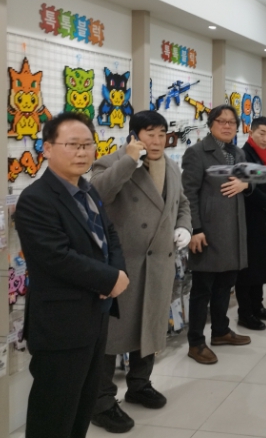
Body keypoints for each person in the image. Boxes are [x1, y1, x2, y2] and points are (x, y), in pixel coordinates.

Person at [14, 113, 129, 438]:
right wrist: (108, 279)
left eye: (87, 145)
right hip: (60, 325)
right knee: (53, 415)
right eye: (73, 145)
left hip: (95, 317)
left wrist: (118, 271)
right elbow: (56, 257)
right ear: (48, 148)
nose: (82, 152)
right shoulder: (35, 199)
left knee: (81, 408)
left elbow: (109, 235)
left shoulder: (87, 190)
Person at [89, 110, 192, 432]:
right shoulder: (110, 162)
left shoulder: (171, 166)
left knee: (150, 326)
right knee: (112, 334)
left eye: (161, 134)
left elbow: (182, 203)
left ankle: (139, 384)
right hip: (123, 266)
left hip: (159, 263)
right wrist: (129, 161)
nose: (157, 141)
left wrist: (184, 227)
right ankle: (101, 401)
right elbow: (96, 195)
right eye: (150, 134)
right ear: (134, 136)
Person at [182, 105, 252, 365]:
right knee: (202, 290)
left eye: (232, 122)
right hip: (208, 232)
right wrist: (195, 229)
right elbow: (188, 194)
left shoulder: (239, 153)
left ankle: (221, 331)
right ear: (211, 124)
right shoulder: (197, 153)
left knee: (225, 284)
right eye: (221, 121)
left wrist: (246, 184)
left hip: (233, 231)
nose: (227, 126)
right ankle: (196, 342)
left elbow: (249, 182)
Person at [236, 116, 266, 331]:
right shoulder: (244, 155)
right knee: (248, 270)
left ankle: (257, 307)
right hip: (251, 219)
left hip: (265, 218)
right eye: (262, 133)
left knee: (260, 266)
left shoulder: (263, 156)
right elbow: (250, 189)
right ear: (251, 132)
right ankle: (245, 313)